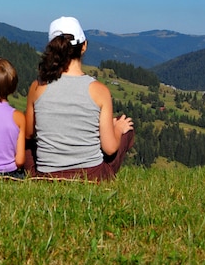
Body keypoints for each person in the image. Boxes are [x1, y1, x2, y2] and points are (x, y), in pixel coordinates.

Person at [25, 16, 135, 181]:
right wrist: (117, 129)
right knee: (125, 126)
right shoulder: (100, 90)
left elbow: (28, 133)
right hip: (91, 176)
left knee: (23, 142)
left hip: (46, 175)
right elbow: (110, 148)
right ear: (84, 46)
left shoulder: (37, 86)